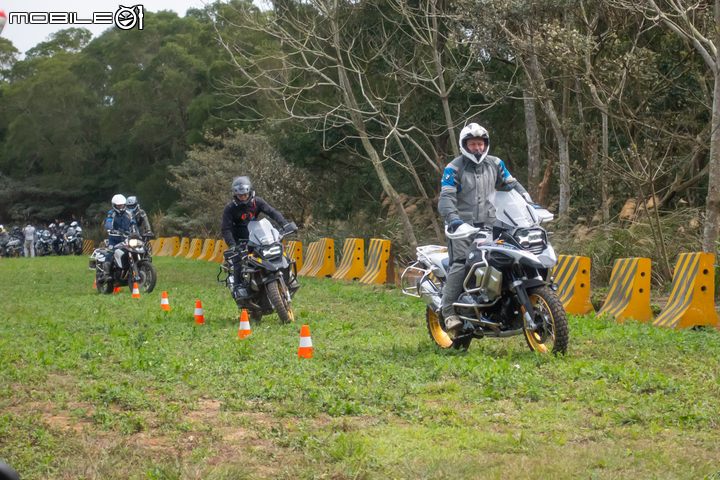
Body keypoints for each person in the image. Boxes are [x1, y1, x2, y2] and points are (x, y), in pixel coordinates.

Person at [438, 123, 534, 331]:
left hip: (491, 226)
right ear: (465, 145)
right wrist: (454, 220)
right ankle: (448, 313)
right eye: (472, 144)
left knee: (505, 259)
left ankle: (496, 304)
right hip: (462, 228)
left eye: (480, 144)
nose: (477, 148)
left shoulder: (496, 164)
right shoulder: (453, 168)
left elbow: (512, 185)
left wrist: (529, 203)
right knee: (462, 264)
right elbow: (446, 198)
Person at [221, 176, 290, 299]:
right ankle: (238, 286)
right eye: (239, 195)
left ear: (249, 192)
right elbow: (226, 229)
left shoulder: (258, 202)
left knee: (276, 253)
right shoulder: (230, 208)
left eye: (245, 194)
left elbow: (272, 212)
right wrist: (232, 245)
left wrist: (285, 224)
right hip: (239, 240)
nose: (243, 197)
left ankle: (286, 278)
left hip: (257, 236)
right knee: (239, 261)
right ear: (235, 194)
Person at [100, 194, 136, 280]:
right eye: (118, 205)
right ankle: (106, 273)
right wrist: (110, 229)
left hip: (126, 239)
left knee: (135, 250)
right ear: (114, 205)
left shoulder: (129, 212)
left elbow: (133, 224)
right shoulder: (111, 213)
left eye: (122, 205)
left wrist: (135, 233)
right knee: (110, 253)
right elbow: (108, 222)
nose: (120, 207)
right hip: (114, 239)